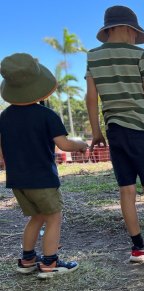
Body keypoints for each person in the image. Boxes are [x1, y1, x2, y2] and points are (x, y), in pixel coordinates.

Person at [86, 5, 144, 265]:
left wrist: (96, 132)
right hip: (140, 129)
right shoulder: (140, 55)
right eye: (136, 33)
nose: (137, 37)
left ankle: (137, 248)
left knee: (126, 190)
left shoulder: (93, 57)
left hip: (114, 131)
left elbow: (92, 98)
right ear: (127, 29)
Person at [0, 53, 88, 279]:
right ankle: (50, 263)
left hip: (18, 180)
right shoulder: (47, 115)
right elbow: (64, 144)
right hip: (42, 179)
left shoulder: (4, 117)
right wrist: (80, 144)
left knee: (36, 218)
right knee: (53, 218)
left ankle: (27, 259)